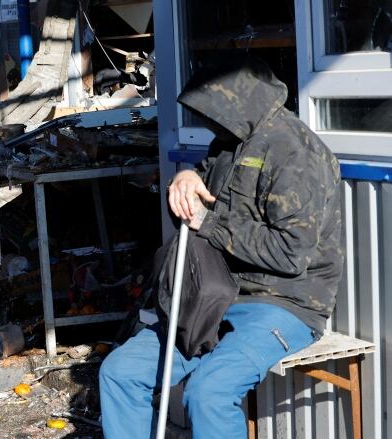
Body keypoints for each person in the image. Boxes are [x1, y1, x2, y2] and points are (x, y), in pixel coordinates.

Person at [99, 60, 344, 438]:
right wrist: (186, 176)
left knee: (208, 392)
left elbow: (291, 254)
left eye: (209, 114)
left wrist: (208, 222)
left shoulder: (296, 154)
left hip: (283, 303)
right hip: (216, 294)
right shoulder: (233, 139)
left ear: (234, 104)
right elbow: (206, 179)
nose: (206, 124)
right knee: (120, 372)